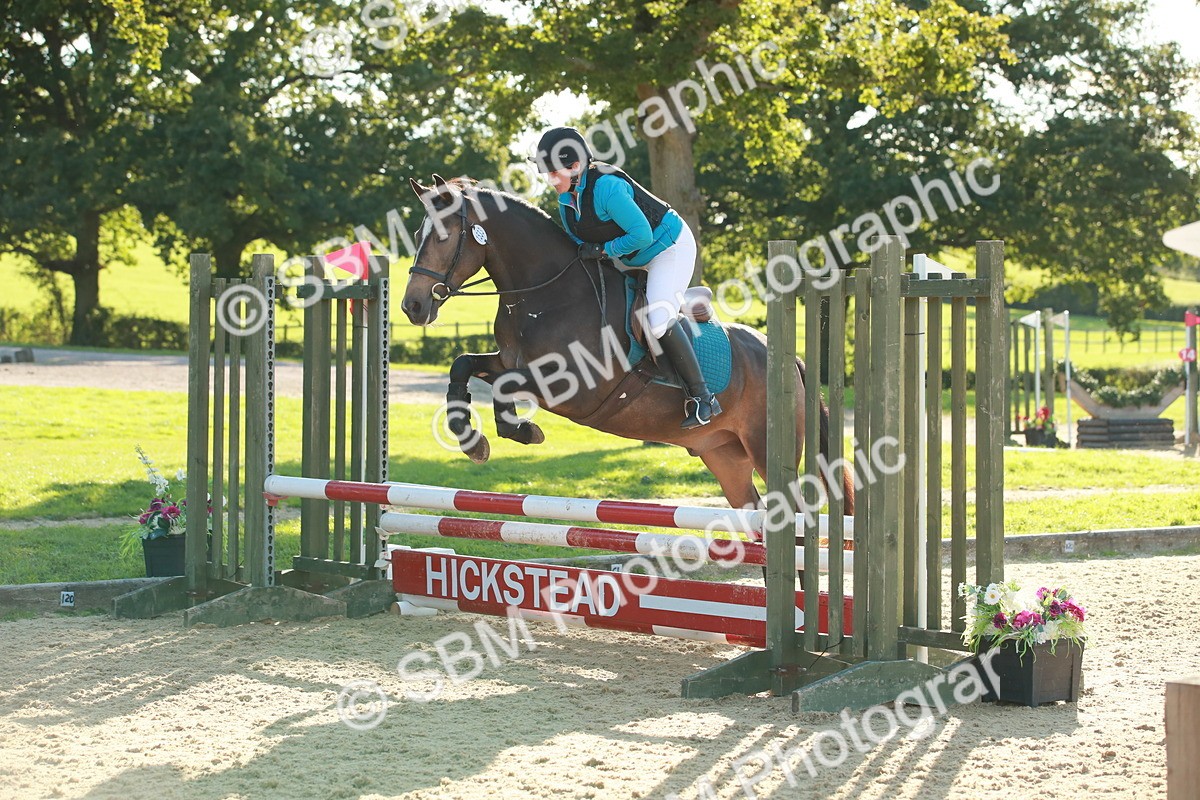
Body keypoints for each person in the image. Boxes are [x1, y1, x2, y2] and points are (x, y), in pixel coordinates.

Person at [530, 126, 722, 429]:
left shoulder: (607, 188)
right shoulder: (567, 201)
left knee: (658, 320)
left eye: (554, 172)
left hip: (667, 248)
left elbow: (642, 235)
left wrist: (603, 250)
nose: (550, 179)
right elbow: (579, 248)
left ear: (576, 166)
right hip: (629, 257)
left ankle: (703, 398)